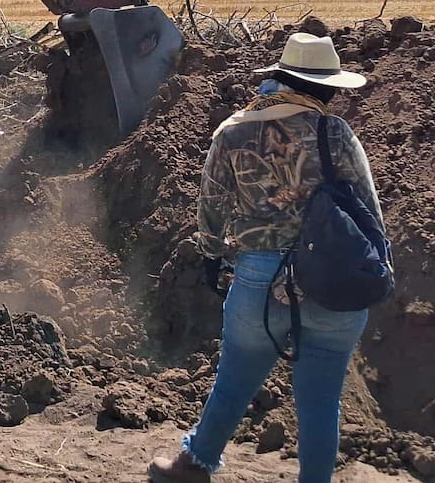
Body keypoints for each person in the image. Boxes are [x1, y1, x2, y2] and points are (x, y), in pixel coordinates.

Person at [149, 33, 382, 483]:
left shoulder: (234, 131)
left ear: (278, 77)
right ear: (330, 88)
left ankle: (193, 465)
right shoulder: (336, 132)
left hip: (259, 276)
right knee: (321, 398)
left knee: (234, 380)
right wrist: (376, 264)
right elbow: (368, 208)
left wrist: (212, 255)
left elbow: (212, 203)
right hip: (334, 277)